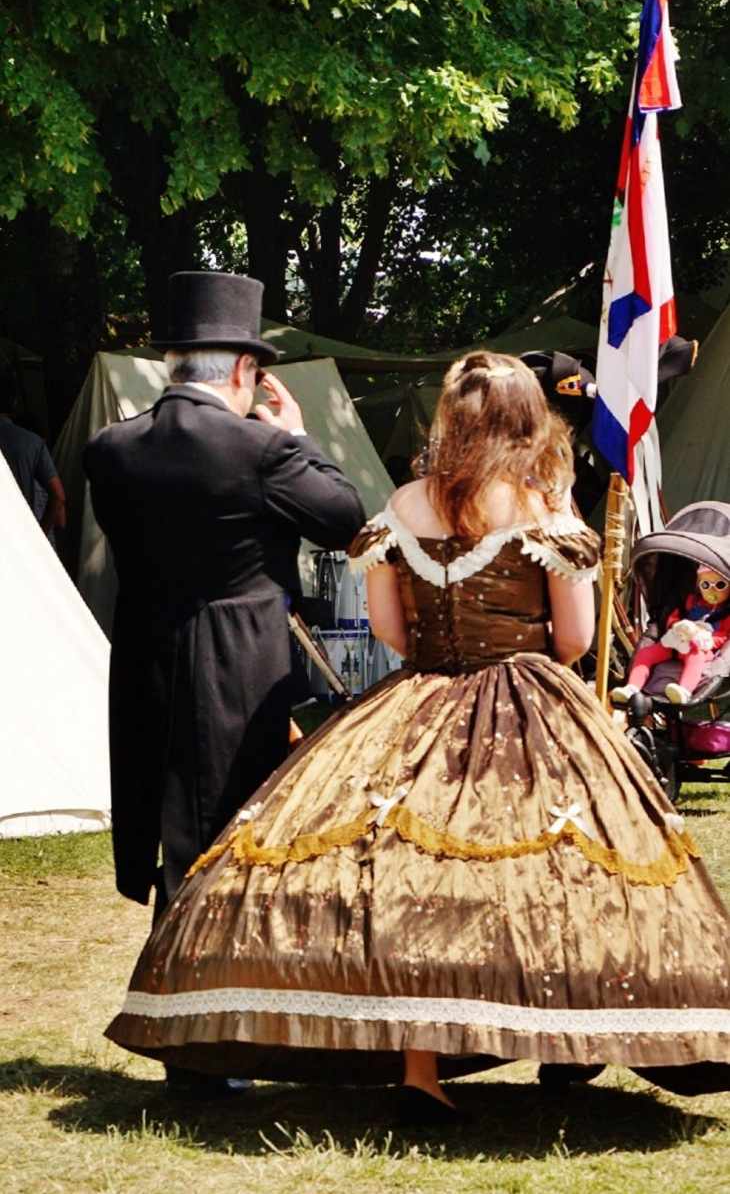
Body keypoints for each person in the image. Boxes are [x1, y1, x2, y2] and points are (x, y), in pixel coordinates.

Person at [105, 351, 730, 1121]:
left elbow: (388, 629)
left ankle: (420, 1069)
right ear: (526, 419)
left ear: (451, 418)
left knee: (409, 879)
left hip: (419, 695)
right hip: (529, 694)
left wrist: (445, 653)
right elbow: (572, 639)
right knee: (566, 867)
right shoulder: (545, 512)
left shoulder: (400, 508)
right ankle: (574, 1044)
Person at [82, 271, 365, 1091]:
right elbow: (345, 519)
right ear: (244, 369)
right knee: (234, 841)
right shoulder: (264, 448)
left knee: (175, 840)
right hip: (239, 660)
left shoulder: (111, 449)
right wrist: (303, 437)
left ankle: (186, 1029)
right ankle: (214, 1037)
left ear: (176, 362)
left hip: (143, 654)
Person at [612, 564, 730, 706]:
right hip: (677, 641)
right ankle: (632, 688)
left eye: (720, 585)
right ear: (699, 586)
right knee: (646, 652)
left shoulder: (726, 613)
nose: (712, 590)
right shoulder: (691, 601)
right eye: (706, 584)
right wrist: (676, 626)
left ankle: (684, 691)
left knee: (695, 656)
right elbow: (674, 617)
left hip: (701, 647)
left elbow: (724, 637)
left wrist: (706, 639)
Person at [0, 372, 66, 538]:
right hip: (25, 539)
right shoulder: (33, 442)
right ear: (15, 403)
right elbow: (58, 496)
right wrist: (39, 537)